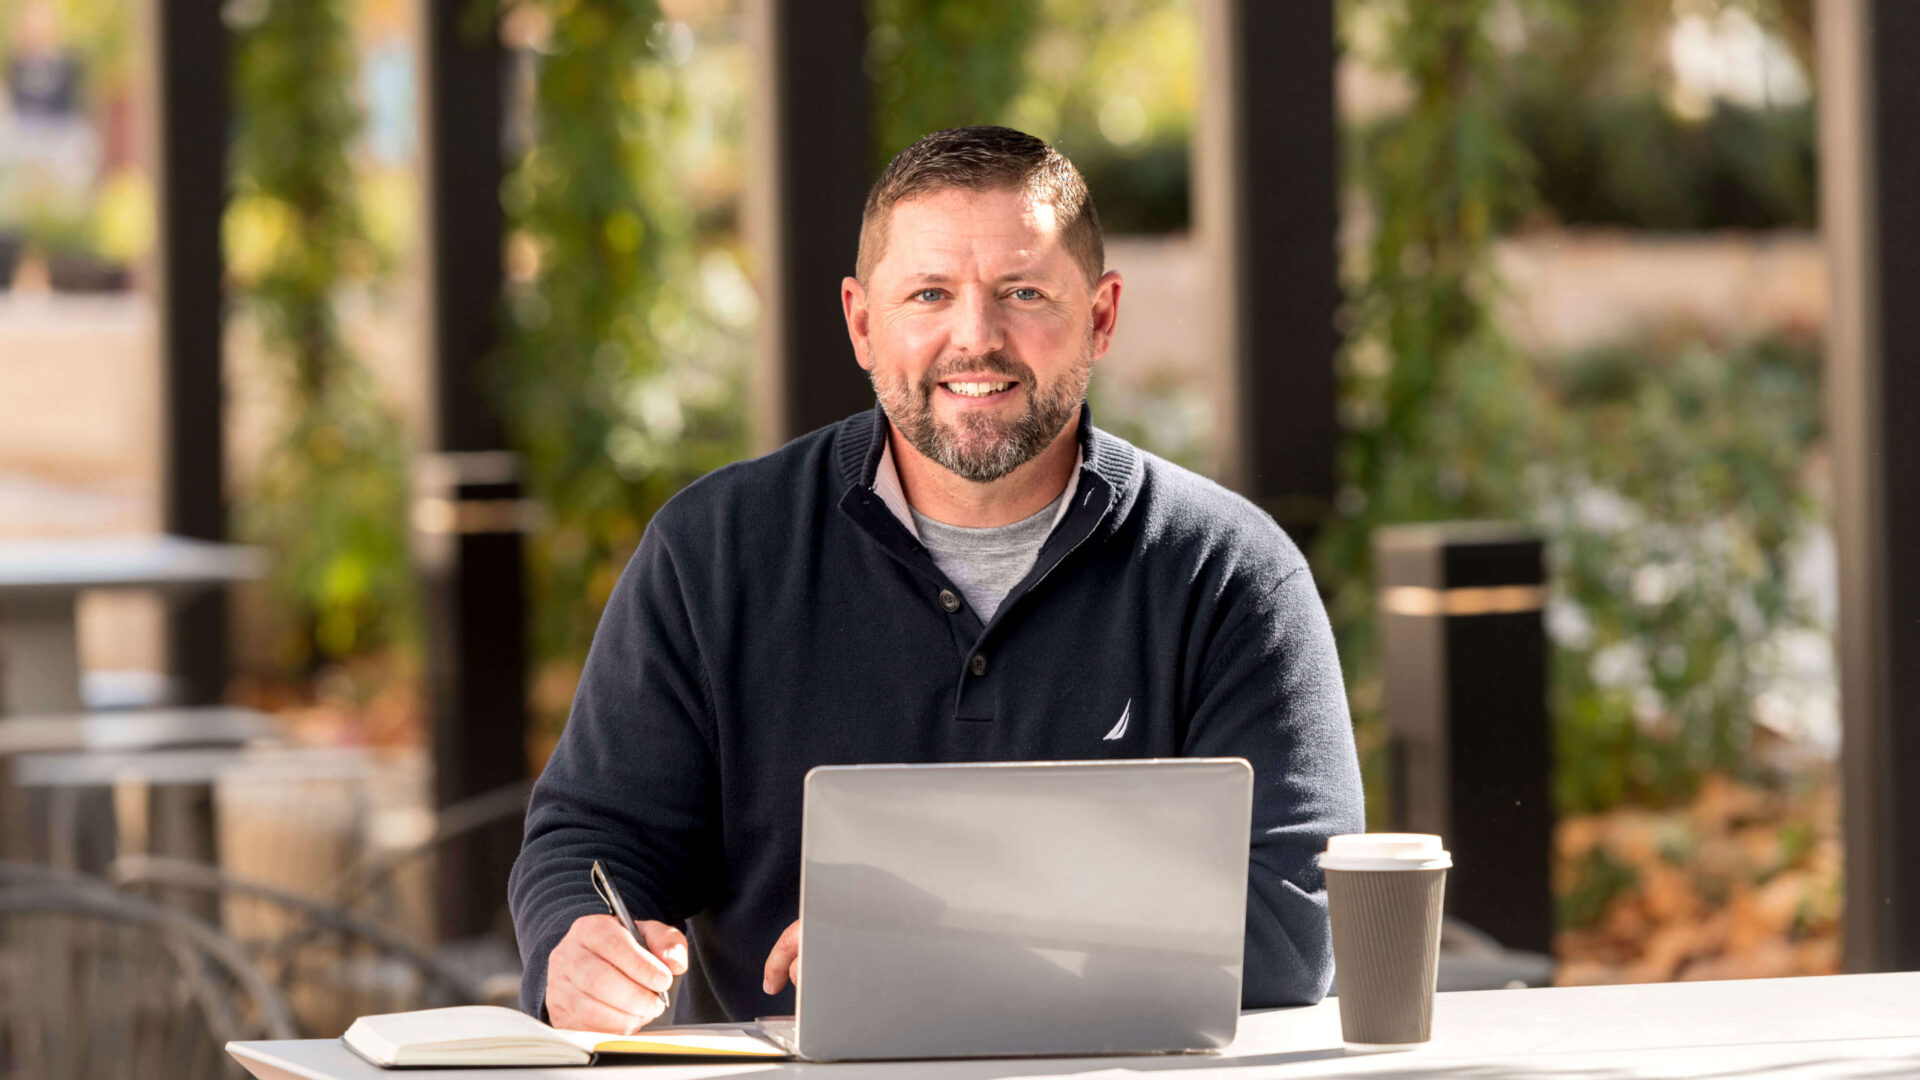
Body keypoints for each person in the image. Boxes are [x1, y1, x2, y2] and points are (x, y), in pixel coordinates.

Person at [509, 126, 1364, 1033]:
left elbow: (1295, 924)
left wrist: (938, 940)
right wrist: (580, 943)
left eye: (1023, 292)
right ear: (862, 323)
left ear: (1103, 316)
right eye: (929, 294)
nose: (976, 338)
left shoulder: (1230, 572)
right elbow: (594, 838)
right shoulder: (712, 551)